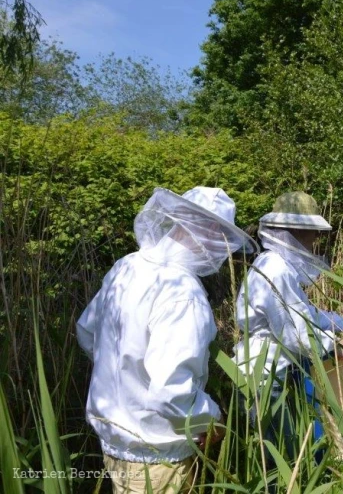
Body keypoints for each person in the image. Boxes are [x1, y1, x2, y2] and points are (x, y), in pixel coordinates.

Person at [76, 186, 258, 493]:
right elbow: (170, 392)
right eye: (219, 238)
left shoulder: (128, 265)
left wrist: (124, 374)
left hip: (113, 447)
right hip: (158, 459)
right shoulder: (183, 292)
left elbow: (87, 331)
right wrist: (214, 419)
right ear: (213, 232)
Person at [232, 191, 343, 436]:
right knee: (279, 454)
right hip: (264, 376)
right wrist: (334, 344)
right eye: (312, 231)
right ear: (294, 231)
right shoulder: (276, 269)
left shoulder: (274, 264)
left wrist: (338, 321)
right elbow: (297, 334)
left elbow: (303, 313)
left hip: (271, 371)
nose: (315, 238)